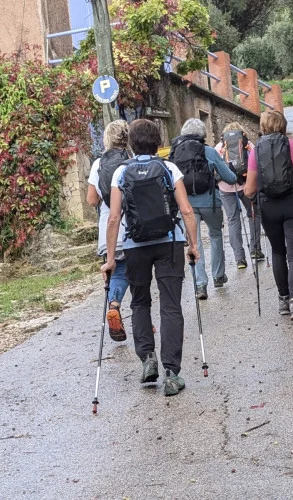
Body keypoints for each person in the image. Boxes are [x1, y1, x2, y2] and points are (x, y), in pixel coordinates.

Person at [100, 119, 199, 397]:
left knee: (140, 302)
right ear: (158, 143)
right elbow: (186, 210)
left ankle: (147, 359)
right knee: (170, 305)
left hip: (135, 246)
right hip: (169, 243)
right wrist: (193, 245)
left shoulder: (121, 172)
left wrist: (110, 259)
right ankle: (172, 373)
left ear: (131, 144)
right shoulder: (169, 168)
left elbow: (114, 218)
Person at [245, 111, 293, 322]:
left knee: (278, 252)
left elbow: (249, 190)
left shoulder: (256, 150)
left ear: (263, 126)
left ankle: (283, 301)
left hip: (269, 207)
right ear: (283, 125)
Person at [170, 118, 237, 300]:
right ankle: (218, 276)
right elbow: (230, 178)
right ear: (203, 134)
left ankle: (200, 285)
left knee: (195, 242)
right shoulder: (208, 151)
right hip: (210, 202)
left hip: (187, 205)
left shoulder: (176, 153)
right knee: (215, 235)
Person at [86, 119, 133, 341]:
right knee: (139, 273)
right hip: (133, 226)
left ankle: (114, 305)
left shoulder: (98, 164)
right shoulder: (133, 160)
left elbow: (91, 199)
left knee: (118, 271)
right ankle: (142, 319)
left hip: (109, 230)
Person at [214, 122, 264, 269]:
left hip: (225, 186)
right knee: (253, 214)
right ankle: (255, 249)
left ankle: (239, 259)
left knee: (233, 220)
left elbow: (215, 167)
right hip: (246, 184)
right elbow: (257, 162)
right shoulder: (247, 144)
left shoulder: (219, 147)